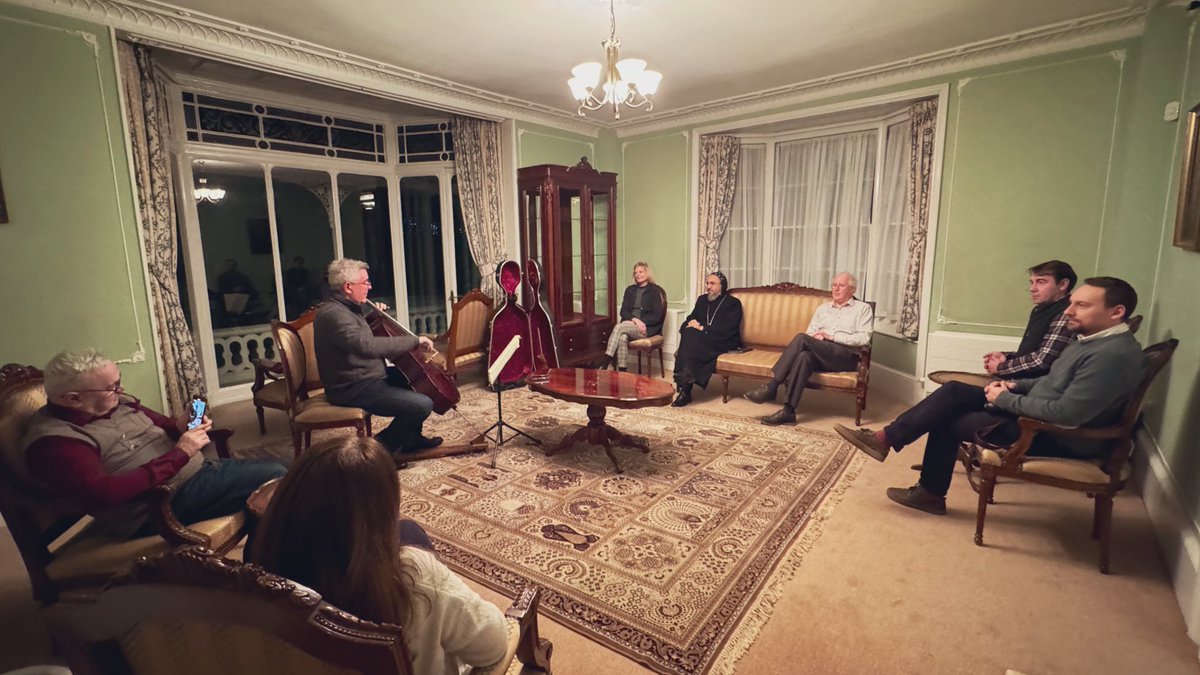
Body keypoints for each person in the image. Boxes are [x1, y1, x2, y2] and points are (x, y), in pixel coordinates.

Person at [835, 277, 1145, 515]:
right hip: (1035, 412)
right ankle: (889, 443)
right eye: (1072, 302)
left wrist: (1003, 400)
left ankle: (918, 479)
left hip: (1060, 435)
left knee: (948, 417)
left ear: (1117, 312)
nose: (1068, 311)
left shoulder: (1111, 355)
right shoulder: (1091, 340)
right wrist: (1014, 387)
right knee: (954, 391)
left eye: (1082, 305)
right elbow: (1052, 381)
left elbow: (1068, 414)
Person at [251, 436, 508, 675]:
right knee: (412, 538)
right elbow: (492, 644)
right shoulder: (412, 577)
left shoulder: (253, 577)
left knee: (408, 530)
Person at [20, 349, 286, 538]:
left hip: (200, 475)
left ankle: (268, 557)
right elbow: (103, 494)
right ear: (73, 399)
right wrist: (181, 452)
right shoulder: (56, 443)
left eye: (118, 382)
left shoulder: (117, 403)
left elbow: (166, 426)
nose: (120, 391)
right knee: (282, 478)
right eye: (111, 387)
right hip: (158, 506)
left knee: (296, 469)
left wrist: (184, 424)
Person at [313, 258, 442, 461]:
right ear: (347, 287)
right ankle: (377, 452)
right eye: (365, 282)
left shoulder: (345, 308)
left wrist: (371, 314)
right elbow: (366, 346)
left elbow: (355, 334)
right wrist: (414, 341)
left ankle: (411, 439)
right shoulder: (333, 314)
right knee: (422, 404)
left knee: (414, 380)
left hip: (366, 376)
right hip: (352, 386)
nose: (369, 286)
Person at [744, 272, 873, 425]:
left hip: (845, 356)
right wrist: (816, 337)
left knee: (801, 338)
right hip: (821, 352)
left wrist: (833, 337)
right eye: (834, 285)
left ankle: (772, 386)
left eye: (841, 285)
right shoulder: (823, 309)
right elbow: (810, 332)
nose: (836, 289)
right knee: (803, 357)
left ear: (852, 290)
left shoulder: (863, 309)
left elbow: (865, 338)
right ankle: (788, 411)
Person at [982, 259, 1078, 378]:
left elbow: (1042, 361)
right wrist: (1006, 356)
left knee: (953, 388)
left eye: (1041, 282)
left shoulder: (1066, 312)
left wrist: (1000, 367)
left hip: (1036, 389)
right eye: (1032, 282)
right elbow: (1033, 352)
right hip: (1021, 382)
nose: (1032, 288)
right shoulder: (1041, 309)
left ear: (1063, 284)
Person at [672, 272, 743, 407]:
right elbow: (691, 317)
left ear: (722, 286)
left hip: (723, 339)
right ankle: (686, 388)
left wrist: (703, 328)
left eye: (712, 283)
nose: (708, 287)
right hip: (701, 338)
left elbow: (729, 328)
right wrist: (692, 324)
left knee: (692, 338)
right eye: (707, 283)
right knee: (689, 332)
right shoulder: (702, 300)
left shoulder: (733, 303)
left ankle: (684, 387)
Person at [594, 262, 666, 372]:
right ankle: (622, 371)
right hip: (630, 325)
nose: (638, 274)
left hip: (646, 328)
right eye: (636, 272)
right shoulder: (630, 290)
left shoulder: (654, 291)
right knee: (622, 337)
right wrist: (635, 320)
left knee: (619, 327)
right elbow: (623, 311)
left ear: (647, 273)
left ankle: (605, 362)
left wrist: (642, 323)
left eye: (641, 272)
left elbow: (657, 316)